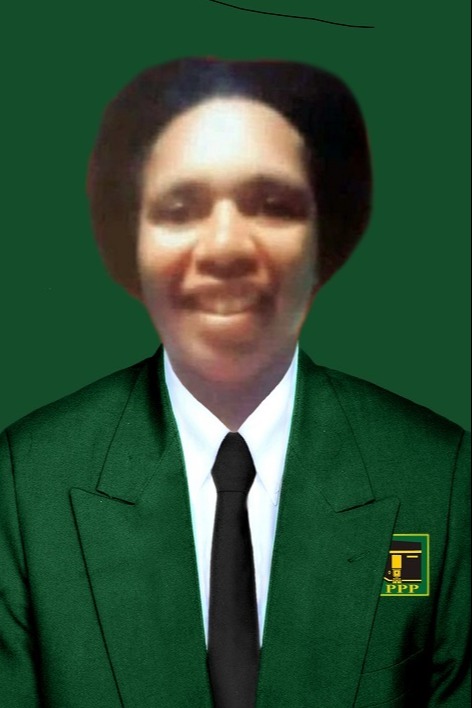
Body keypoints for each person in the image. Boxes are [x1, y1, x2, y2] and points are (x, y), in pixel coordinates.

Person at [0, 58, 469, 708]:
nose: (224, 248)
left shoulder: (437, 478)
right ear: (129, 241)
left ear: (325, 240)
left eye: (273, 206)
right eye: (179, 208)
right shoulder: (28, 484)